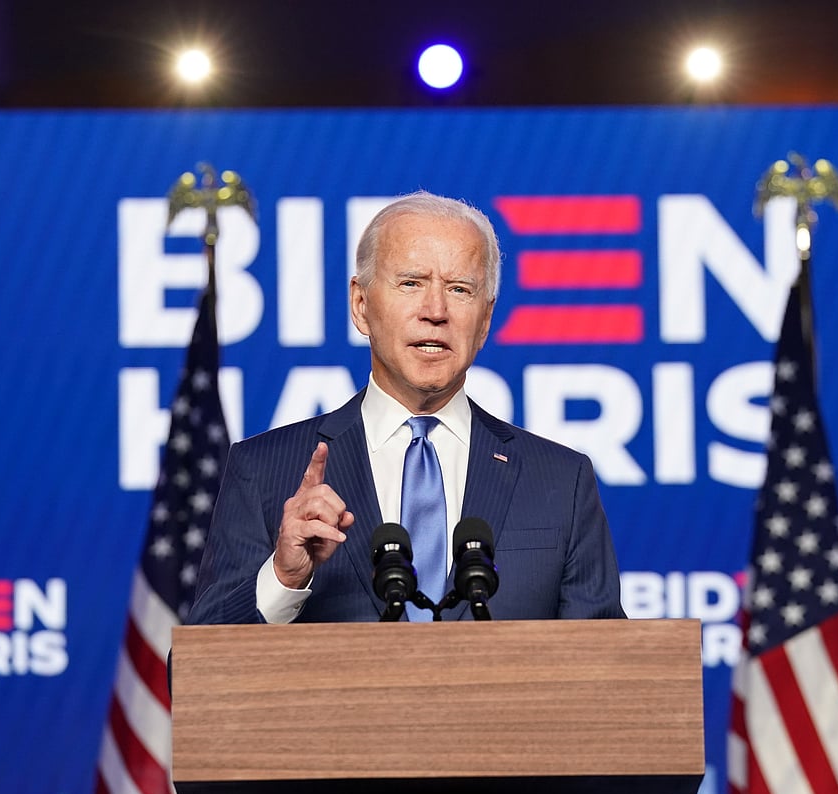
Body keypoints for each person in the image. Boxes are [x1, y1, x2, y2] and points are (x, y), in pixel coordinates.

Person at [186, 191, 625, 624]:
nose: (435, 311)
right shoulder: (265, 471)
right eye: (411, 283)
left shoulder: (561, 481)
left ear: (486, 320)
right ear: (361, 305)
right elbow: (196, 678)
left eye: (460, 289)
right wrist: (283, 578)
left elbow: (611, 674)